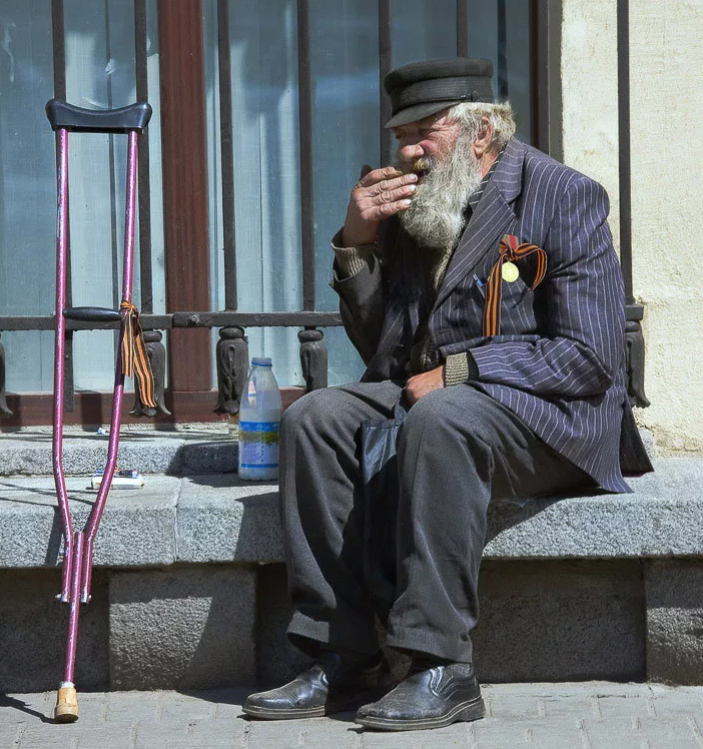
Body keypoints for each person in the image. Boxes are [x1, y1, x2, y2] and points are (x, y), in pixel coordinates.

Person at [242, 58, 652, 732]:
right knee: (314, 418)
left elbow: (591, 355)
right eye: (399, 134)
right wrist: (356, 247)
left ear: (481, 130)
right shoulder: (421, 202)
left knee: (442, 418)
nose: (404, 151)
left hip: (549, 414)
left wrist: (461, 371)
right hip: (437, 400)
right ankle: (343, 653)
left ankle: (443, 666)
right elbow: (387, 350)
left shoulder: (563, 196)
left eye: (421, 133)